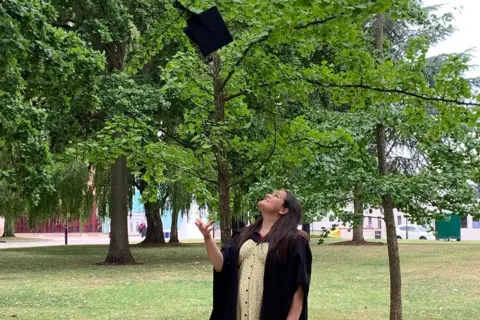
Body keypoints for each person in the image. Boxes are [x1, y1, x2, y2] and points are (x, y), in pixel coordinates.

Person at [195, 190, 312, 320]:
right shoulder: (243, 235)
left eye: (276, 196)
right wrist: (207, 238)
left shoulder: (294, 240)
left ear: (284, 210)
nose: (268, 195)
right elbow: (220, 265)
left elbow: (299, 288)